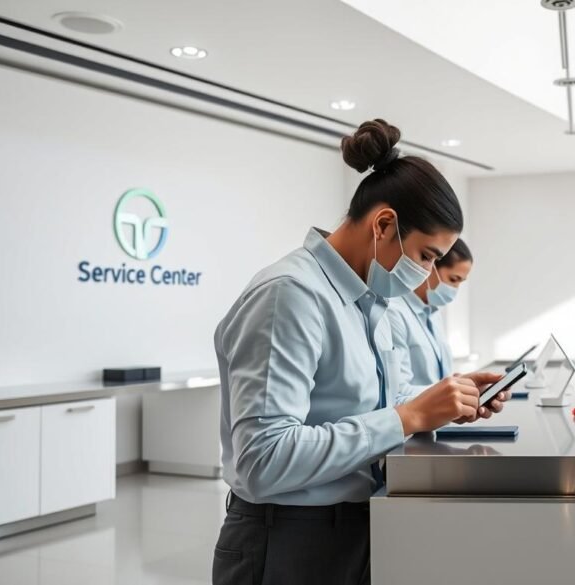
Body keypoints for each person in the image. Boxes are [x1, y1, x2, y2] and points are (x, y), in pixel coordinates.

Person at [211, 119, 509, 585]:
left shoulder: (372, 299)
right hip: (288, 539)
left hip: (351, 527)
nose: (427, 274)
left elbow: (369, 400)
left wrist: (446, 398)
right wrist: (408, 418)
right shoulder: (290, 295)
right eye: (428, 256)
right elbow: (262, 460)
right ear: (384, 224)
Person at [389, 238, 473, 400]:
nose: (455, 289)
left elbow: (441, 379)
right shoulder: (395, 313)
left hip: (443, 416)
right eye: (453, 279)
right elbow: (398, 391)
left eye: (460, 282)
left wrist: (458, 385)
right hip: (417, 419)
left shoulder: (433, 314)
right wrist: (451, 391)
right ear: (430, 267)